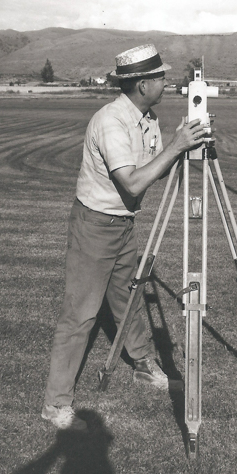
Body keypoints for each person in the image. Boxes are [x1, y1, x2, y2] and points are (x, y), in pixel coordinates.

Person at [42, 44, 206, 431]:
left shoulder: (146, 117)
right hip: (95, 225)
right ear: (144, 84)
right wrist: (176, 147)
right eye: (162, 77)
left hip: (122, 224)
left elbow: (150, 170)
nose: (167, 82)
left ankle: (143, 365)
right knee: (80, 314)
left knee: (128, 300)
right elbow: (132, 182)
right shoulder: (111, 121)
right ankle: (55, 406)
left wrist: (184, 148)